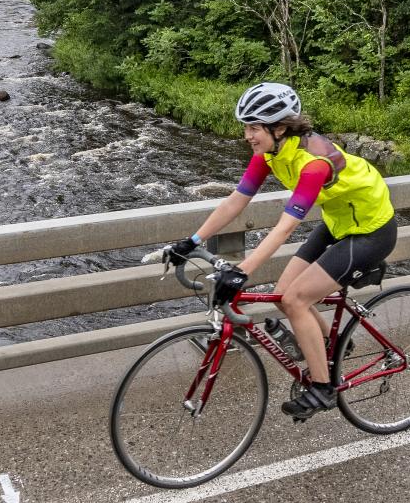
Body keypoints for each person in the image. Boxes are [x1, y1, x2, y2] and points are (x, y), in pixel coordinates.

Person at [162, 82, 397, 420]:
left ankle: (323, 387)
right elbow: (236, 202)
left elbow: (285, 227)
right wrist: (192, 241)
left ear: (280, 128)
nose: (247, 135)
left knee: (295, 300)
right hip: (338, 223)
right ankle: (335, 346)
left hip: (371, 231)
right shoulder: (270, 154)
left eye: (254, 127)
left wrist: (242, 270)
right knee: (283, 293)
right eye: (246, 126)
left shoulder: (314, 163)